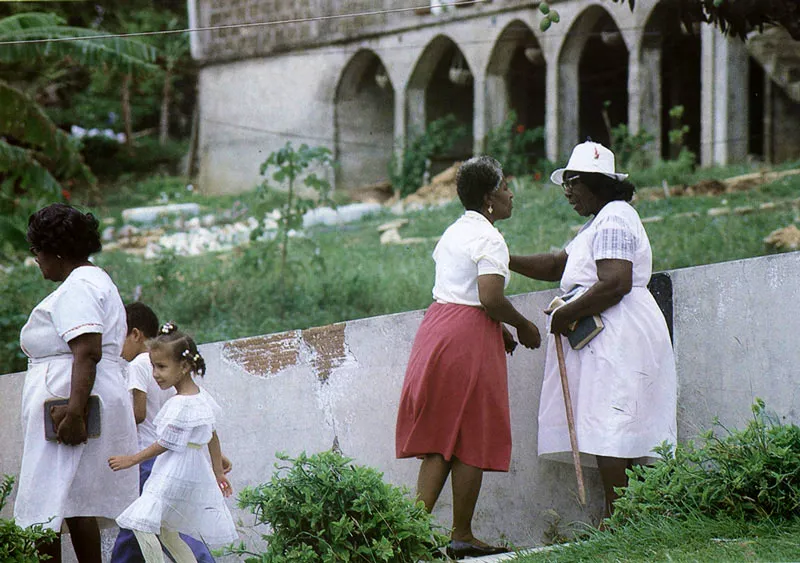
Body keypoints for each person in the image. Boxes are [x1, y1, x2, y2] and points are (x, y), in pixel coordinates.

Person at [509, 141, 677, 519]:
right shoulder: (599, 221)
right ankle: (623, 516)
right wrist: (503, 258)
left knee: (611, 424)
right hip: (608, 336)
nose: (567, 191)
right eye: (566, 182)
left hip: (620, 334)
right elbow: (556, 265)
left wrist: (565, 313)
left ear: (597, 182)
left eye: (573, 182)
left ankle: (618, 519)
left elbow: (616, 282)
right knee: (609, 423)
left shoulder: (616, 217)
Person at [395, 156, 542, 560]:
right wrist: (523, 327)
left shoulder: (453, 232)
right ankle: (453, 533)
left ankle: (412, 534)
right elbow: (489, 297)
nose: (512, 194)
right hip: (466, 338)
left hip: (439, 328)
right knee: (472, 434)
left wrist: (498, 332)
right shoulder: (490, 239)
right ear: (490, 197)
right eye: (506, 187)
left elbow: (459, 293)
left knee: (443, 436)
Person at [16, 203, 139, 562]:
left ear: (56, 251)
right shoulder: (93, 280)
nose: (36, 259)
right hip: (73, 399)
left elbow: (87, 351)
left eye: (37, 251)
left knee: (43, 507)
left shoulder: (78, 288)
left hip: (67, 405)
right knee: (72, 501)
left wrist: (74, 412)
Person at [109, 323, 238, 563]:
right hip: (191, 467)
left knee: (141, 523)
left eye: (161, 367)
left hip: (173, 470)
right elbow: (212, 434)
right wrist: (218, 471)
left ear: (185, 366)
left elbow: (166, 443)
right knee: (167, 529)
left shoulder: (180, 403)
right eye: (153, 367)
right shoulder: (200, 395)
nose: (155, 374)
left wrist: (131, 460)